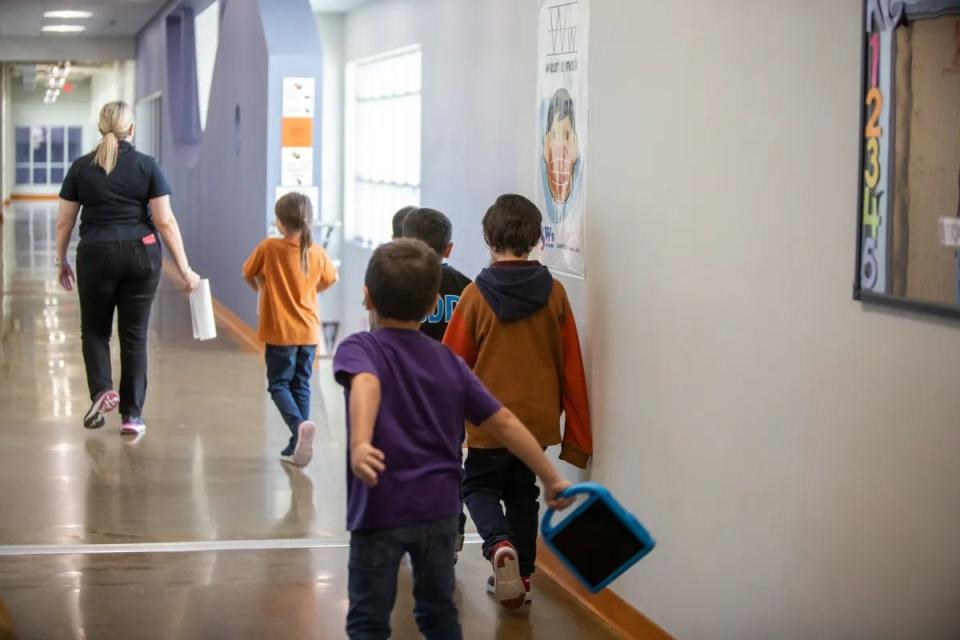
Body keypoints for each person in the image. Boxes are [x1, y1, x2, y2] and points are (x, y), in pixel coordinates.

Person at [334, 239, 573, 638]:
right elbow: (506, 423)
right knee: (438, 613)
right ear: (433, 307)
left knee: (368, 620)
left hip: (379, 508)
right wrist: (549, 476)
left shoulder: (361, 348)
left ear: (367, 296)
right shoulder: (448, 360)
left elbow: (367, 383)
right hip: (438, 513)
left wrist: (361, 442)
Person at [443, 193, 592, 608]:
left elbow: (452, 367)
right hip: (538, 424)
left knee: (478, 486)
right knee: (523, 493)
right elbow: (572, 368)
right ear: (536, 239)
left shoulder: (475, 295)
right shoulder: (556, 294)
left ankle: (499, 544)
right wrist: (577, 439)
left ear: (488, 238)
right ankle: (522, 576)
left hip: (490, 423)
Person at [55, 101, 201, 436]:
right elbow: (164, 221)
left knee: (95, 330)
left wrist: (60, 260)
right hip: (142, 254)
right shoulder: (147, 166)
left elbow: (65, 222)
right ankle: (132, 417)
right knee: (134, 336)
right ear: (131, 129)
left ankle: (102, 390)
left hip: (95, 254)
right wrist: (184, 268)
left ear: (100, 128)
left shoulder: (80, 167)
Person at [243, 192, 338, 466]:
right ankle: (297, 442)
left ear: (280, 222)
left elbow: (248, 273)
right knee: (301, 385)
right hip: (308, 331)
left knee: (278, 384)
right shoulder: (316, 251)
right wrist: (311, 291)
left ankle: (298, 427)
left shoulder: (269, 248)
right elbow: (331, 279)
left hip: (280, 331)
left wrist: (263, 289)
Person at [400, 207, 473, 555]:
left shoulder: (397, 283)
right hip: (450, 392)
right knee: (449, 462)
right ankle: (452, 530)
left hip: (405, 392)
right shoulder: (467, 288)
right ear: (449, 249)